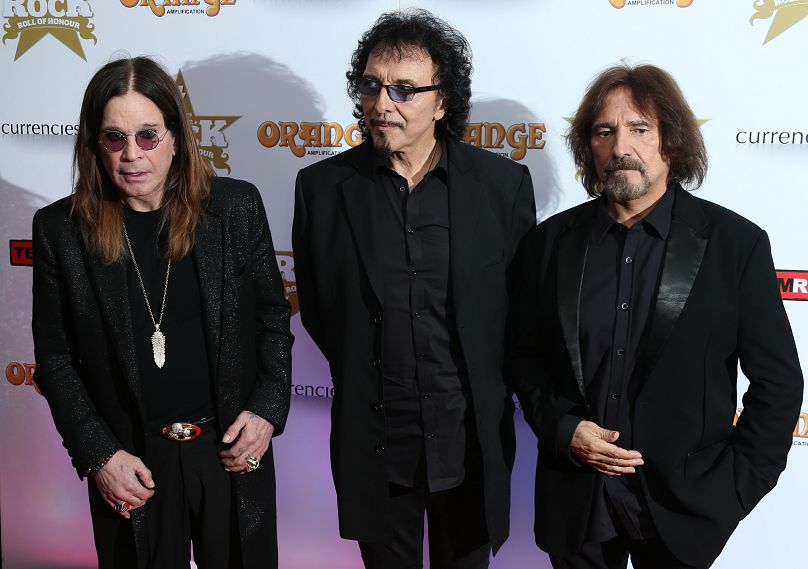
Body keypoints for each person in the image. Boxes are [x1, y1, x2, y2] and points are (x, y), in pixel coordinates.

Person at [507, 63, 804, 569]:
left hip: (681, 510)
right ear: (589, 147)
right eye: (605, 131)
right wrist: (562, 429)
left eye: (640, 129)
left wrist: (732, 490)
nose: (621, 146)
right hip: (578, 505)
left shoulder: (735, 246)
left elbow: (778, 384)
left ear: (671, 141)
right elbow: (522, 357)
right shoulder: (548, 245)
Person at [292, 9, 535, 569]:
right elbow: (323, 316)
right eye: (371, 86)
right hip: (376, 440)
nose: (382, 104)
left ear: (442, 101)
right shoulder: (323, 190)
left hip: (468, 440)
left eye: (403, 90)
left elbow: (518, 314)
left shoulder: (501, 187)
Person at [31, 56, 292, 569]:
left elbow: (272, 317)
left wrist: (266, 411)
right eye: (114, 138)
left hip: (231, 448)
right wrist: (99, 457)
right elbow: (56, 361)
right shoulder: (60, 231)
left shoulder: (235, 208)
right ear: (94, 145)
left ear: (176, 136)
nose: (132, 155)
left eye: (147, 135)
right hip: (131, 462)